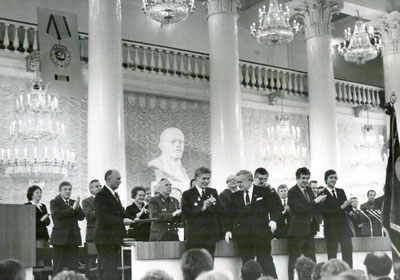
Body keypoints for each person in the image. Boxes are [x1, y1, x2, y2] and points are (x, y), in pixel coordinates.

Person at [225, 170, 279, 278]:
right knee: (247, 265)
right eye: (237, 182)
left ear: (250, 180)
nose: (238, 184)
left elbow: (275, 208)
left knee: (266, 262)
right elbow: (230, 216)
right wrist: (228, 230)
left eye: (241, 182)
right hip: (244, 236)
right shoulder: (235, 196)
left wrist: (273, 220)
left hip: (262, 234)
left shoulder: (264, 191)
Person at [287, 167, 327, 280]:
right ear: (297, 178)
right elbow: (300, 209)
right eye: (303, 178)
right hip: (296, 231)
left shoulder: (309, 190)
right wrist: (316, 201)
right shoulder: (292, 191)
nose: (305, 180)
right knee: (294, 260)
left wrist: (320, 202)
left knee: (312, 260)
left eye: (307, 178)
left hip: (309, 230)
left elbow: (313, 208)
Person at [94, 170, 134, 280]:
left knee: (112, 270)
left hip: (113, 238)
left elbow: (120, 212)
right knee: (109, 270)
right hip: (105, 239)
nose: (120, 182)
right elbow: (103, 217)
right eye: (118, 179)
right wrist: (122, 221)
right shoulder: (101, 195)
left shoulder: (114, 195)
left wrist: (134, 218)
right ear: (109, 179)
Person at [182, 167, 222, 257]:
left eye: (208, 178)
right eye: (204, 178)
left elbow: (220, 210)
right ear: (196, 179)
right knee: (196, 264)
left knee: (209, 263)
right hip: (196, 236)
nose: (206, 181)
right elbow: (186, 214)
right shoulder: (188, 194)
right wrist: (202, 208)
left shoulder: (213, 192)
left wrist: (212, 205)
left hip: (210, 236)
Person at [319, 169, 353, 267]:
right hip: (331, 229)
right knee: (332, 257)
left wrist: (349, 207)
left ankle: (349, 276)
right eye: (331, 177)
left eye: (335, 177)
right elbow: (326, 213)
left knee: (348, 254)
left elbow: (347, 207)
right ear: (326, 179)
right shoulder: (322, 194)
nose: (333, 179)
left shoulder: (341, 191)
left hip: (344, 228)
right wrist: (342, 207)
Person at [50, 181, 85, 276]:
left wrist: (77, 207)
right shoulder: (54, 202)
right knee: (58, 267)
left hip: (73, 238)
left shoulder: (74, 202)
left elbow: (81, 217)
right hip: (60, 239)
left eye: (69, 189)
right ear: (60, 191)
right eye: (65, 189)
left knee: (73, 267)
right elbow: (58, 215)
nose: (68, 191)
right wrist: (72, 209)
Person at [25, 185, 51, 266]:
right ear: (31, 195)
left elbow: (48, 222)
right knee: (39, 258)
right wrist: (41, 220)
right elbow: (29, 221)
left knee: (46, 256)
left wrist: (44, 219)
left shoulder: (43, 206)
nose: (39, 194)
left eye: (40, 192)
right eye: (37, 193)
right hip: (35, 235)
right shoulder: (27, 205)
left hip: (44, 234)